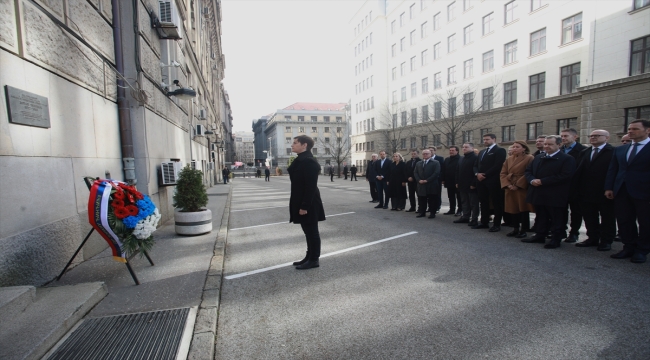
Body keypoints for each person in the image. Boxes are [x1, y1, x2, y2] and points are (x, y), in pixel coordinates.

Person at [605, 119, 650, 264]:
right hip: (622, 190)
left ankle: (642, 250)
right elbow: (613, 170)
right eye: (629, 129)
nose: (630, 131)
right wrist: (609, 187)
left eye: (635, 129)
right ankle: (628, 246)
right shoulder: (620, 149)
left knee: (645, 222)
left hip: (645, 192)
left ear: (647, 130)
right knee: (624, 220)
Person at [522, 135, 576, 249]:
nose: (546, 146)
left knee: (557, 217)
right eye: (545, 144)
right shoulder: (538, 157)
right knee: (541, 215)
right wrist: (531, 180)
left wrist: (543, 181)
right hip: (538, 192)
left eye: (550, 144)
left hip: (555, 194)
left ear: (559, 145)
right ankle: (540, 235)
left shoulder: (567, 158)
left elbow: (565, 175)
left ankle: (556, 238)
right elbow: (528, 171)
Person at [573, 130, 615, 251]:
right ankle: (592, 238)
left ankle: (606, 241)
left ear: (607, 137)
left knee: (607, 217)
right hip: (586, 191)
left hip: (605, 191)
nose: (593, 138)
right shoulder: (585, 152)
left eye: (597, 136)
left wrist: (610, 187)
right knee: (589, 216)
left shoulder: (612, 152)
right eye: (591, 136)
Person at [288, 135, 325, 270]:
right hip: (301, 200)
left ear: (304, 145)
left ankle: (314, 259)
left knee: (312, 231)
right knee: (307, 231)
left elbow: (310, 187)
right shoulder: (300, 160)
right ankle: (308, 256)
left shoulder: (309, 162)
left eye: (295, 143)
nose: (292, 145)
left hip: (308, 203)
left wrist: (304, 206)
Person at [500, 141, 535, 238]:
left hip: (521, 187)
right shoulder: (509, 159)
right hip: (510, 186)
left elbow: (528, 172)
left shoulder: (529, 158)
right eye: (514, 147)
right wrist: (508, 184)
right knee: (513, 208)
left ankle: (524, 229)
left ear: (524, 148)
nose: (515, 149)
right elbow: (503, 173)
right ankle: (515, 228)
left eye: (517, 147)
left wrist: (518, 185)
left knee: (523, 208)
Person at [473, 133, 507, 232]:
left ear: (494, 139)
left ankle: (497, 224)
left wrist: (485, 175)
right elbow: (475, 165)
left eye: (487, 139)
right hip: (480, 181)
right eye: (484, 139)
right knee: (483, 202)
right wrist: (477, 174)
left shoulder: (499, 150)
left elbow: (498, 165)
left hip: (493, 180)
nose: (485, 141)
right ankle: (484, 222)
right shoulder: (482, 152)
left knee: (497, 202)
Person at [560, 128, 586, 243]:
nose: (563, 138)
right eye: (562, 136)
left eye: (566, 136)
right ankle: (561, 230)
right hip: (560, 186)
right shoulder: (559, 150)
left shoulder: (583, 150)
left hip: (576, 186)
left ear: (575, 137)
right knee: (561, 210)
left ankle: (574, 233)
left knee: (576, 211)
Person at [454, 143, 479, 226]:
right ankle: (465, 217)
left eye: (466, 147)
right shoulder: (462, 158)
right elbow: (457, 171)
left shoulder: (475, 158)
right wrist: (457, 182)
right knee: (464, 202)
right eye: (463, 147)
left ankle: (474, 219)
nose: (464, 148)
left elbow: (476, 172)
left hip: (471, 185)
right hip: (462, 184)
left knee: (473, 203)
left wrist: (473, 183)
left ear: (472, 148)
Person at [414, 149, 441, 219]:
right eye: (424, 154)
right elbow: (415, 172)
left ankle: (432, 213)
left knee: (432, 200)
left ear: (430, 154)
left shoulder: (435, 162)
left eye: (427, 154)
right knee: (422, 199)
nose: (425, 155)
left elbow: (436, 173)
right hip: (421, 184)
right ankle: (422, 212)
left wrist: (427, 180)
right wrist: (419, 180)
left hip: (431, 184)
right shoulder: (419, 163)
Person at [428, 146, 445, 213]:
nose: (430, 152)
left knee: (437, 194)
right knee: (429, 194)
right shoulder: (426, 159)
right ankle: (430, 207)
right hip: (428, 180)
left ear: (435, 151)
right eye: (429, 151)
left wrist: (441, 178)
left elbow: (442, 169)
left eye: (432, 150)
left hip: (437, 179)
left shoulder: (440, 158)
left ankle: (437, 207)